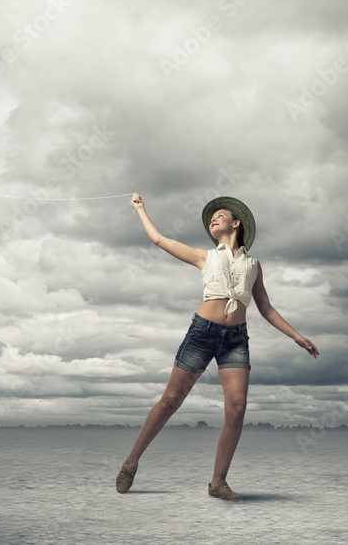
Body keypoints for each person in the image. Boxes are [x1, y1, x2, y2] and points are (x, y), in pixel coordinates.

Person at [115, 193, 319, 501]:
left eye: (219, 215)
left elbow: (265, 307)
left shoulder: (253, 265)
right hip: (203, 332)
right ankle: (131, 462)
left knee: (237, 409)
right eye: (211, 218)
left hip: (236, 338)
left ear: (235, 223)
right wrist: (140, 209)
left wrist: (296, 335)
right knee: (171, 400)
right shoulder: (204, 256)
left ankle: (217, 482)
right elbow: (158, 239)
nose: (213, 219)